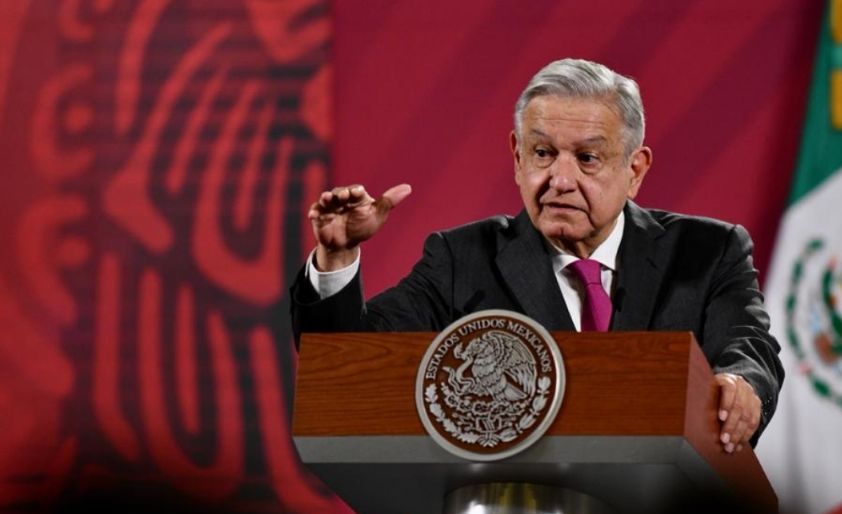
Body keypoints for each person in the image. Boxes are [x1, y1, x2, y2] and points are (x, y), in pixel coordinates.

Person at [290, 58, 783, 451]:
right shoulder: (462, 258)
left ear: (635, 169)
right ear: (517, 157)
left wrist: (740, 383)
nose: (561, 180)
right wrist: (337, 257)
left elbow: (748, 345)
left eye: (587, 157)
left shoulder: (707, 251)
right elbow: (348, 369)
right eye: (542, 153)